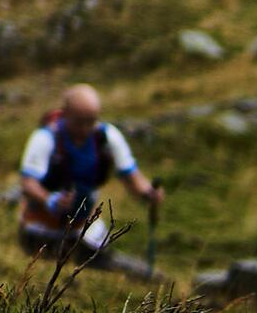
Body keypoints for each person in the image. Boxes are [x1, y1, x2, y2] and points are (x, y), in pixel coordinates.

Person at [13, 83, 162, 272]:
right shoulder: (45, 138)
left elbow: (132, 176)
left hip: (84, 230)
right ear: (65, 113)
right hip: (41, 230)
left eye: (90, 121)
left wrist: (148, 193)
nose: (85, 128)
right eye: (79, 121)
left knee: (116, 269)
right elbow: (28, 184)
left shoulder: (106, 137)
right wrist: (50, 200)